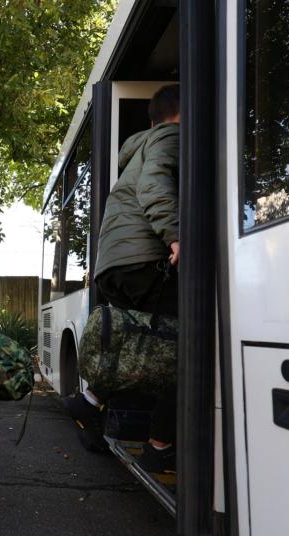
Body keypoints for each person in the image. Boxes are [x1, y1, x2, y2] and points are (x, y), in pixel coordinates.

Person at [92, 83, 180, 474]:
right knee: (185, 349)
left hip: (114, 264)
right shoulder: (172, 136)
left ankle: (92, 400)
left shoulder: (136, 150)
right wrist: (176, 236)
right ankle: (160, 446)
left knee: (141, 346)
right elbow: (155, 186)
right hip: (144, 259)